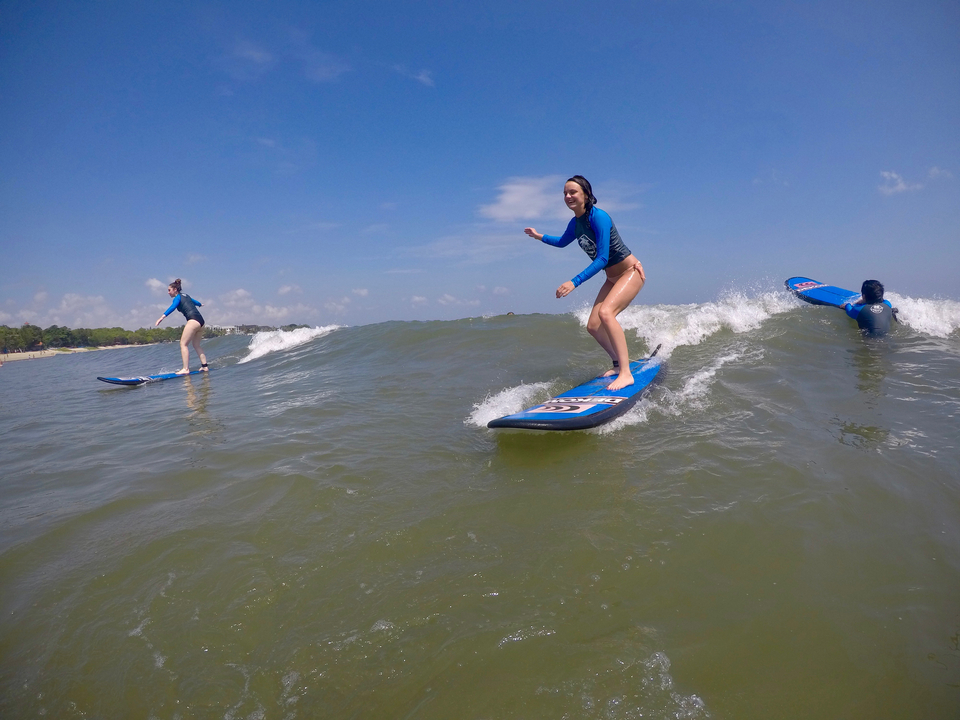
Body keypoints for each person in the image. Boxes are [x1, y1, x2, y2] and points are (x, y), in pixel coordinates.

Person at [524, 175, 645, 390]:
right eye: (565, 193)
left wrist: (574, 282)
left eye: (573, 192)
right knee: (593, 326)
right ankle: (618, 364)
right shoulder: (575, 223)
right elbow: (562, 242)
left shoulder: (599, 217)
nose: (568, 196)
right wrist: (538, 236)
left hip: (630, 273)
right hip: (612, 278)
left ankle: (626, 373)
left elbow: (603, 258)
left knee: (606, 314)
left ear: (586, 195)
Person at [155, 278, 208, 374]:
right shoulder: (186, 295)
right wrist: (200, 304)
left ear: (175, 289)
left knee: (183, 344)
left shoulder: (177, 297)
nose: (168, 292)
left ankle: (185, 369)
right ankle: (204, 366)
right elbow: (195, 302)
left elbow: (173, 307)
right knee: (196, 345)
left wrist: (161, 318)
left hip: (193, 320)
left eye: (169, 290)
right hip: (201, 321)